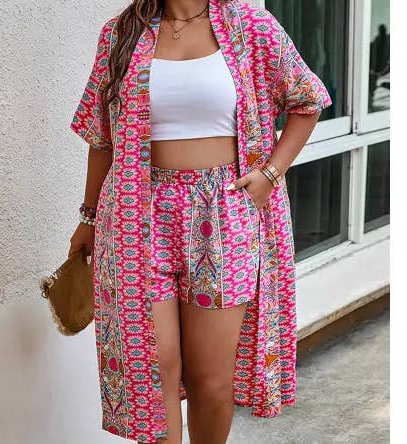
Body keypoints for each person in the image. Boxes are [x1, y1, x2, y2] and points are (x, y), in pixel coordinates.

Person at [68, 0, 332, 443]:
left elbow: (307, 101)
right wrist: (88, 218)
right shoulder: (120, 33)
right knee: (154, 373)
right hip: (135, 216)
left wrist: (270, 173)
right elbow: (101, 138)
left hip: (224, 212)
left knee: (210, 378)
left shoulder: (251, 25)